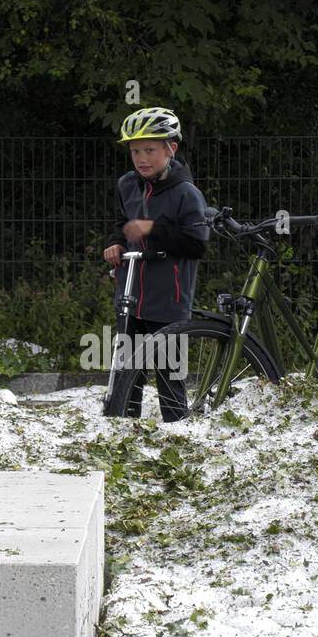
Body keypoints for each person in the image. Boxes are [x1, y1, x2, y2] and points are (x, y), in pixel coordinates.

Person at [101, 106, 209, 421]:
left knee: (168, 374)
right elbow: (122, 222)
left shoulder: (186, 194)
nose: (141, 158)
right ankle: (124, 428)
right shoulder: (127, 185)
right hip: (131, 292)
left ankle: (177, 432)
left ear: (170, 149)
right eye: (135, 151)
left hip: (169, 299)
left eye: (150, 150)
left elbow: (196, 243)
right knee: (126, 372)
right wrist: (116, 242)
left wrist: (152, 230)